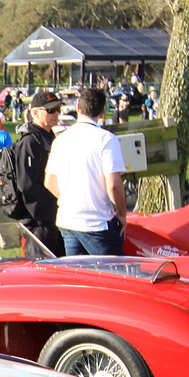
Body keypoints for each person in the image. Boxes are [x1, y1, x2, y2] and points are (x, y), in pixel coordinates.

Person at [45, 86, 127, 256]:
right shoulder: (107, 139)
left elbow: (49, 182)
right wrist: (121, 214)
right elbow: (113, 185)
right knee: (113, 275)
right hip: (97, 221)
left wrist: (72, 199)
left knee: (78, 276)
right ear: (102, 113)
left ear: (79, 108)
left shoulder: (60, 140)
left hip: (68, 220)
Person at [14, 92, 65, 256]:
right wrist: (45, 215)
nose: (56, 113)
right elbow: (27, 185)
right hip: (38, 223)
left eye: (58, 109)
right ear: (35, 113)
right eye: (51, 110)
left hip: (54, 218)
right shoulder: (29, 141)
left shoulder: (49, 137)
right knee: (40, 269)